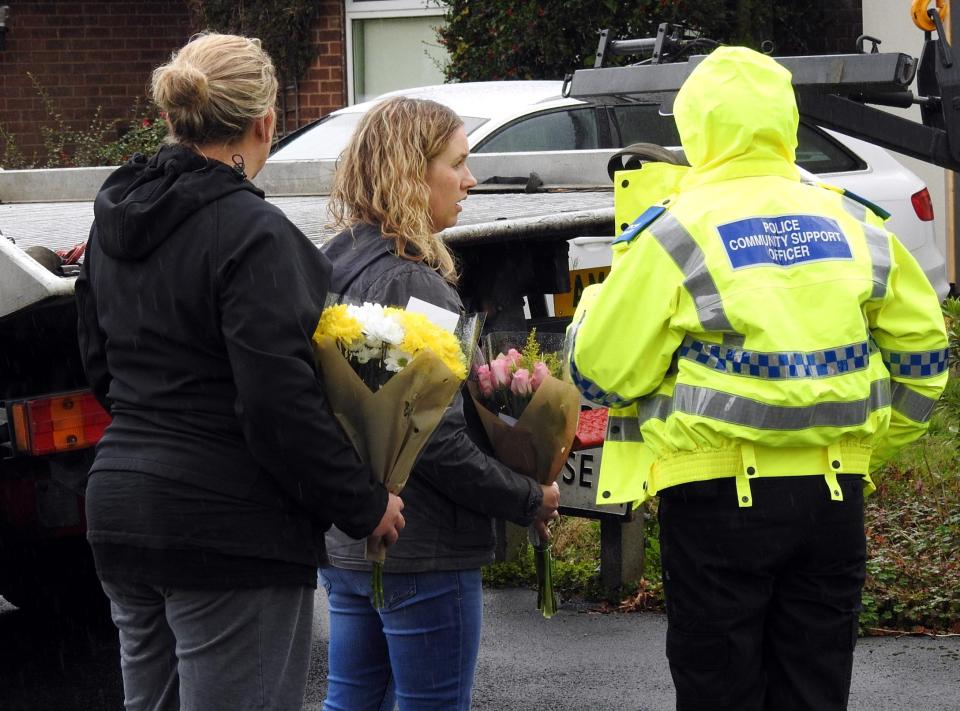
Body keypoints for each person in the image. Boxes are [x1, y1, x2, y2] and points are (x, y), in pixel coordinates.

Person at [568, 47, 948, 711]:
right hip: (833, 498)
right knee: (814, 691)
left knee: (719, 691)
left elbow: (601, 373)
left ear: (695, 128)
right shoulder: (854, 220)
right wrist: (873, 444)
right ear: (785, 120)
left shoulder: (676, 232)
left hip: (715, 503)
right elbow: (922, 354)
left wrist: (596, 308)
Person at [75, 33, 404, 711]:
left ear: (171, 117)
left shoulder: (112, 223)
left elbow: (98, 364)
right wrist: (364, 503)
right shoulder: (254, 234)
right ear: (265, 122)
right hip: (230, 529)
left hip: (120, 509)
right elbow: (278, 403)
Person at [319, 96, 561, 711]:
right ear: (410, 173)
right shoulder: (411, 281)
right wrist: (529, 497)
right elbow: (429, 437)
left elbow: (373, 411)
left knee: (351, 701)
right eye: (458, 164)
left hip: (349, 539)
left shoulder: (336, 261)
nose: (471, 181)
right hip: (421, 547)